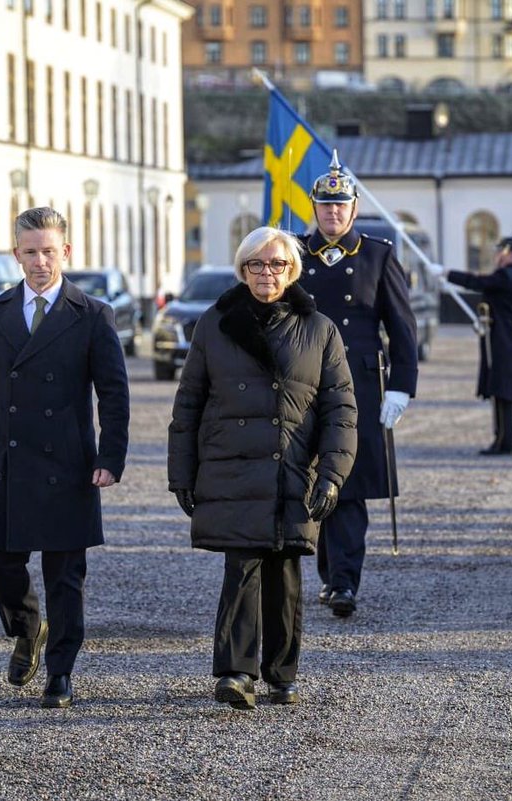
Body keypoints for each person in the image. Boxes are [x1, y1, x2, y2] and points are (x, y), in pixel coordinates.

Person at [167, 226, 357, 708]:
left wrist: (333, 473)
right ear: (242, 269)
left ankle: (281, 674)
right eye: (256, 264)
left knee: (285, 571)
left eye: (275, 264)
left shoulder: (320, 329)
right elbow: (189, 401)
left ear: (291, 270)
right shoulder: (215, 322)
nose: (266, 273)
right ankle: (235, 673)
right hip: (232, 464)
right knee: (242, 565)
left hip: (293, 466)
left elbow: (340, 409)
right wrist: (181, 472)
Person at [0, 207, 130, 709]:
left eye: (49, 251)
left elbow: (114, 394)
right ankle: (27, 626)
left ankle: (61, 670)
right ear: (16, 255)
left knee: (65, 573)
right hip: (9, 460)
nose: (40, 261)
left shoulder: (93, 313)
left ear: (66, 252)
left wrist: (110, 456)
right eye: (30, 252)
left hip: (69, 462)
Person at [297, 152, 419, 618]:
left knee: (348, 483)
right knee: (315, 479)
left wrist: (401, 387)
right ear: (315, 207)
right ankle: (332, 574)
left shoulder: (377, 255)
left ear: (353, 207)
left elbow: (402, 329)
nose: (333, 213)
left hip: (360, 386)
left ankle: (344, 582)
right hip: (305, 384)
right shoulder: (294, 256)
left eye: (340, 205)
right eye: (325, 206)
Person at [439, 232, 512, 455]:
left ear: (509, 253)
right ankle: (502, 439)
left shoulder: (508, 275)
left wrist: (448, 274)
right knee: (500, 391)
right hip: (502, 337)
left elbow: (478, 282)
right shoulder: (511, 274)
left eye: (500, 251)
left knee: (503, 392)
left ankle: (504, 442)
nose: (497, 255)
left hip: (504, 339)